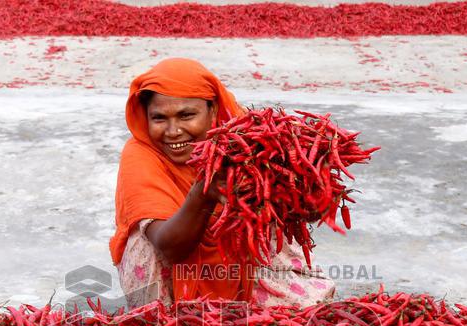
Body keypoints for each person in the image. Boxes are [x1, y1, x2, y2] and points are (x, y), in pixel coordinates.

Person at [110, 58, 336, 309]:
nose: (173, 131)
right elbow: (169, 247)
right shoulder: (141, 155)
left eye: (187, 115)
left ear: (213, 111)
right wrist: (203, 193)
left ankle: (245, 304)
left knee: (263, 219)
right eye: (159, 118)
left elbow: (303, 213)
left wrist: (315, 182)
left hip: (241, 268)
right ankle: (166, 315)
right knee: (144, 241)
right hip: (173, 269)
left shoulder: (244, 142)